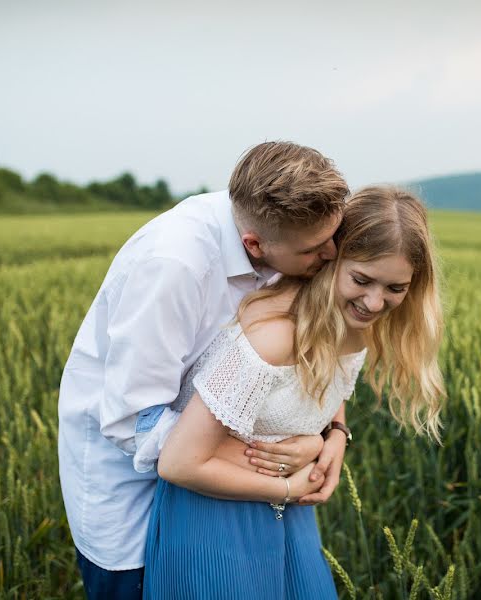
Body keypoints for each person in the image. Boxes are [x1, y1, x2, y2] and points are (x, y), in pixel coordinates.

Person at [57, 141, 351, 599]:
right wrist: (277, 461)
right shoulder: (173, 266)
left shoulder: (282, 234)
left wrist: (332, 432)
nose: (333, 253)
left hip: (225, 486)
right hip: (133, 492)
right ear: (253, 244)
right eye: (317, 247)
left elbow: (312, 351)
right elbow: (131, 420)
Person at [135, 186, 446, 599]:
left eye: (396, 288)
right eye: (361, 279)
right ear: (331, 258)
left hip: (290, 519)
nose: (374, 303)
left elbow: (316, 386)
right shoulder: (274, 337)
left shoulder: (353, 324)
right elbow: (176, 463)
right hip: (213, 517)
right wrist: (287, 488)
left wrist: (334, 434)